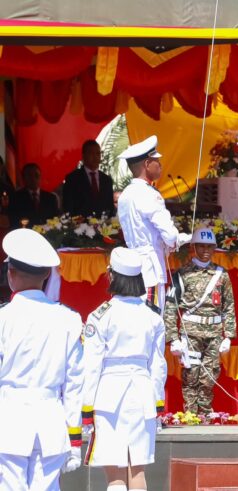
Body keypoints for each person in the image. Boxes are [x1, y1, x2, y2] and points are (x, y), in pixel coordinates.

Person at [0, 228, 84, 490]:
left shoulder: (3, 318)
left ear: (10, 274)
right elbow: (74, 383)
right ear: (47, 274)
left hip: (9, 418)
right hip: (51, 420)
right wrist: (74, 437)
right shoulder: (69, 318)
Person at [81, 247, 167, 491]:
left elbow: (91, 366)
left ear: (111, 275)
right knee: (137, 469)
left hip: (109, 395)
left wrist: (86, 407)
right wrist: (157, 401)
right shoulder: (153, 316)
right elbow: (158, 365)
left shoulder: (100, 316)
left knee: (115, 473)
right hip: (143, 393)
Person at [164, 227, 235, 415]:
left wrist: (228, 336)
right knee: (191, 375)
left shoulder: (221, 274)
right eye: (201, 246)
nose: (206, 250)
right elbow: (171, 306)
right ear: (193, 247)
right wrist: (173, 338)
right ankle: (190, 415)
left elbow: (229, 307)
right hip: (191, 333)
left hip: (214, 333)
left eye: (209, 247)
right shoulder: (182, 274)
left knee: (210, 376)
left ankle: (204, 413)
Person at [117, 135, 190, 313]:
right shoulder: (149, 194)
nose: (160, 165)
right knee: (152, 319)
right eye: (157, 160)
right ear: (147, 163)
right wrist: (182, 239)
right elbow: (170, 236)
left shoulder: (125, 194)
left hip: (131, 267)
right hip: (150, 269)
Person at [62, 139, 116, 217]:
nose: (95, 157)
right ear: (83, 156)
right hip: (80, 223)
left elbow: (110, 207)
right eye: (91, 153)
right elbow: (68, 207)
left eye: (98, 153)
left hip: (103, 223)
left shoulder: (107, 180)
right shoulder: (73, 178)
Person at [8, 163, 60, 228]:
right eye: (29, 175)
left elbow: (55, 219)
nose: (33, 179)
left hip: (47, 232)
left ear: (40, 177)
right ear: (23, 178)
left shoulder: (50, 198)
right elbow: (13, 220)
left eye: (36, 175)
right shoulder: (15, 198)